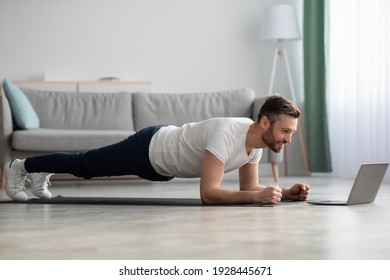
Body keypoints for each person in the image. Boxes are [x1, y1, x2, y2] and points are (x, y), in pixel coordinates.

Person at [3, 95, 310, 205]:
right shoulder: (227, 132)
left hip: (162, 169)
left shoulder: (255, 146)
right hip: (148, 147)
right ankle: (21, 167)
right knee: (85, 165)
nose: (288, 140)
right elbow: (208, 194)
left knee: (87, 165)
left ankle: (39, 170)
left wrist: (284, 193)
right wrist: (258, 196)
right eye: (285, 131)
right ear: (266, 123)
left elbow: (251, 187)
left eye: (291, 133)